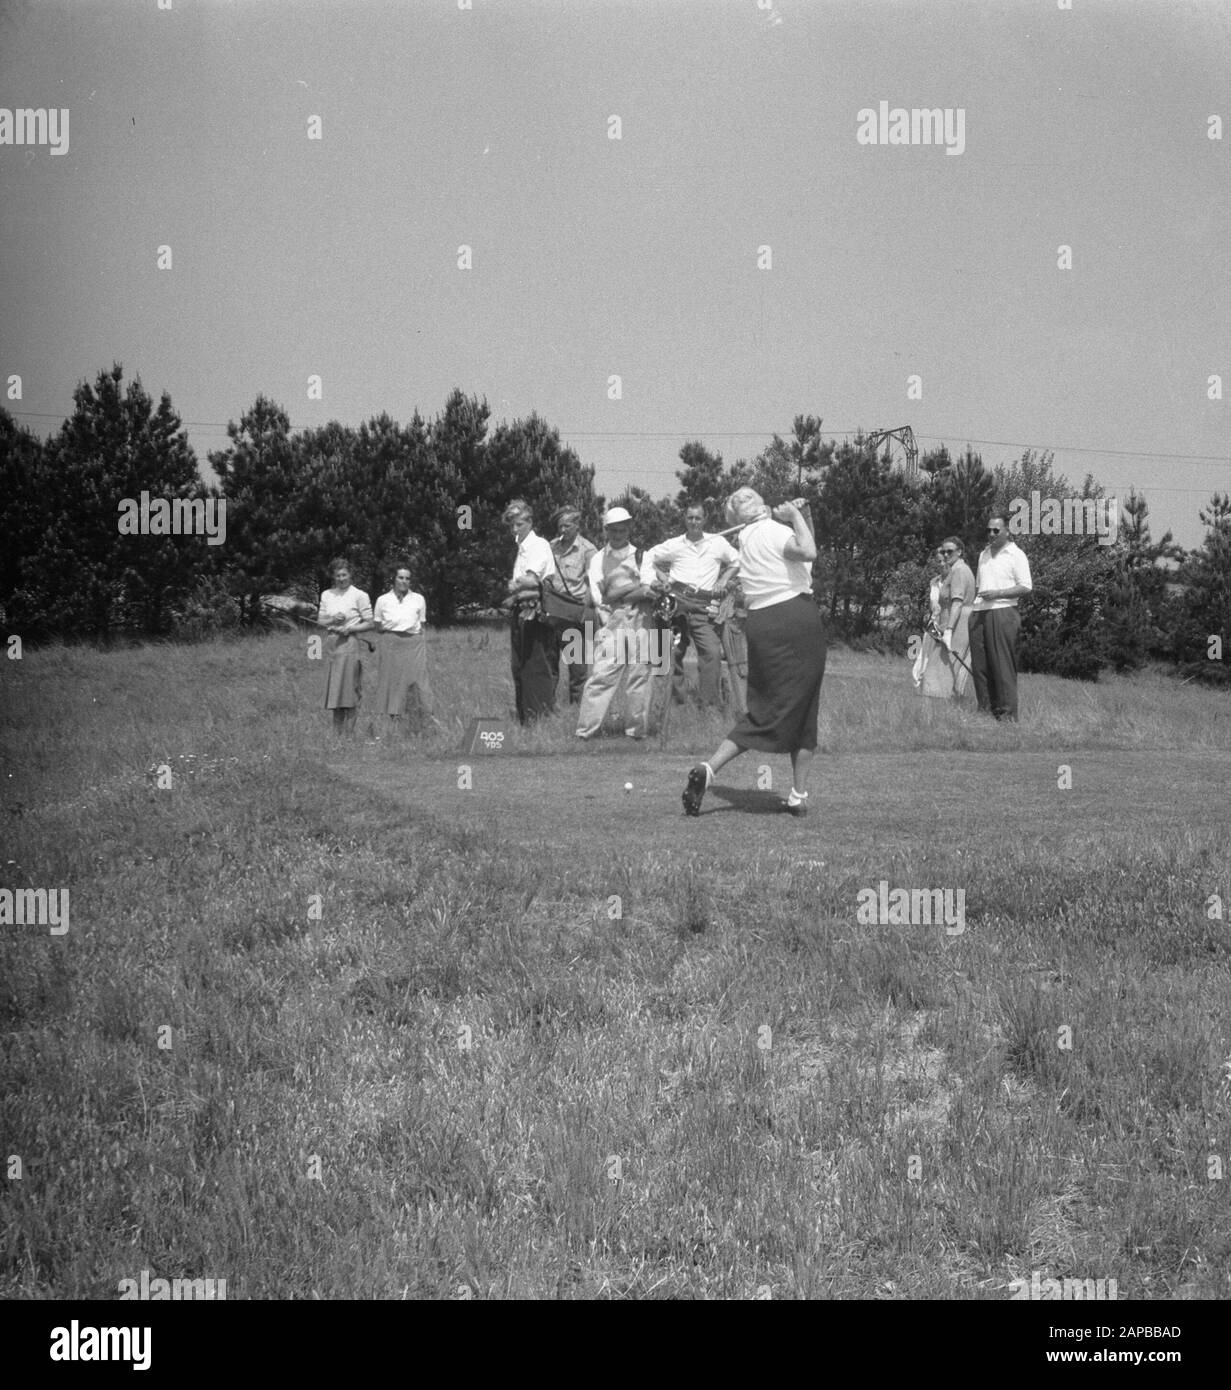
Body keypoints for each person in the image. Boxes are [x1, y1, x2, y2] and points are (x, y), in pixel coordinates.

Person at [682, 489, 825, 817]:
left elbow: (800, 565)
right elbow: (808, 550)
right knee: (797, 710)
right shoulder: (774, 529)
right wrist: (795, 517)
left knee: (772, 706)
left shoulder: (748, 537)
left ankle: (794, 794)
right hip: (795, 618)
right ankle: (793, 793)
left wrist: (805, 517)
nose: (744, 494)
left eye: (747, 493)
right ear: (744, 512)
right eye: (739, 497)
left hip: (762, 622)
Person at [641, 503, 740, 708]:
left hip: (705, 605)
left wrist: (724, 579)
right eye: (690, 518)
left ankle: (708, 704)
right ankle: (677, 702)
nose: (694, 522)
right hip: (678, 601)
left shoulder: (718, 542)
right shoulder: (675, 544)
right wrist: (654, 579)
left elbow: (737, 560)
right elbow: (649, 556)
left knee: (711, 652)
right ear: (685, 519)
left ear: (704, 519)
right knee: (674, 651)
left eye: (698, 518)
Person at [575, 506, 659, 741]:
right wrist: (634, 588)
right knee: (601, 677)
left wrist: (619, 592)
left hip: (642, 619)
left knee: (639, 677)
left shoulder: (644, 555)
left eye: (622, 529)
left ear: (629, 528)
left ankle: (637, 732)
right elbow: (601, 597)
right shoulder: (598, 559)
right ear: (606, 530)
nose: (618, 534)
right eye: (613, 530)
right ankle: (585, 732)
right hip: (612, 621)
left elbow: (649, 589)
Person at [969, 515, 1033, 721]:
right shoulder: (984, 554)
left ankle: (1007, 715)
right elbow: (980, 586)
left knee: (1002, 665)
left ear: (1007, 531)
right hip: (980, 611)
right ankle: (986, 710)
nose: (991, 534)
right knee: (980, 666)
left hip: (1003, 611)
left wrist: (997, 594)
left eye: (996, 530)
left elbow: (1025, 586)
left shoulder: (1016, 554)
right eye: (989, 530)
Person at [503, 499, 559, 724]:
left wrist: (514, 585)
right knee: (519, 665)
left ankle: (539, 717)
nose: (514, 530)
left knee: (535, 665)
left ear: (529, 522)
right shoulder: (522, 547)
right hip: (521, 611)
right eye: (511, 525)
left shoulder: (538, 545)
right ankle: (525, 716)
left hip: (536, 614)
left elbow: (530, 580)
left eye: (518, 524)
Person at [544, 507, 598, 704]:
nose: (563, 530)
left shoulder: (588, 550)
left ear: (577, 526)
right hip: (551, 612)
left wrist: (586, 610)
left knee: (577, 667)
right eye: (560, 526)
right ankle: (546, 706)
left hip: (573, 615)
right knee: (549, 664)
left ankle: (577, 708)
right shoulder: (551, 547)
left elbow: (594, 583)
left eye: (567, 525)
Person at [317, 558, 376, 735]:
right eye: (337, 575)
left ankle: (348, 736)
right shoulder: (327, 595)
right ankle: (336, 736)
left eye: (344, 574)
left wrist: (350, 628)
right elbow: (321, 621)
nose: (341, 578)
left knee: (350, 691)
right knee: (335, 691)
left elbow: (371, 623)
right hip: (332, 645)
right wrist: (333, 620)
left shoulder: (359, 595)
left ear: (350, 575)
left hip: (350, 644)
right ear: (333, 577)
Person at [372, 561, 433, 731]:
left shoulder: (419, 599)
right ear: (394, 579)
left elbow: (422, 625)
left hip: (413, 644)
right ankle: (392, 722)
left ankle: (418, 721)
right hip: (390, 643)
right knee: (392, 681)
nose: (404, 581)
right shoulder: (382, 600)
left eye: (407, 578)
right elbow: (377, 625)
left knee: (416, 681)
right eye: (401, 577)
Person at [922, 538, 976, 699]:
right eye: (943, 551)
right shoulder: (957, 570)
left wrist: (949, 631)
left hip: (958, 627)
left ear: (959, 552)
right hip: (956, 625)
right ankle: (949, 706)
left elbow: (957, 603)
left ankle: (936, 710)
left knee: (938, 670)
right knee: (949, 670)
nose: (945, 554)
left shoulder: (959, 571)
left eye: (950, 551)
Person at [912, 554, 945, 690]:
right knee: (924, 656)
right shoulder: (935, 581)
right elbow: (933, 602)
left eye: (943, 560)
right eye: (939, 561)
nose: (941, 564)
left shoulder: (957, 580)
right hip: (934, 623)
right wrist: (935, 608)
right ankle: (920, 685)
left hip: (949, 625)